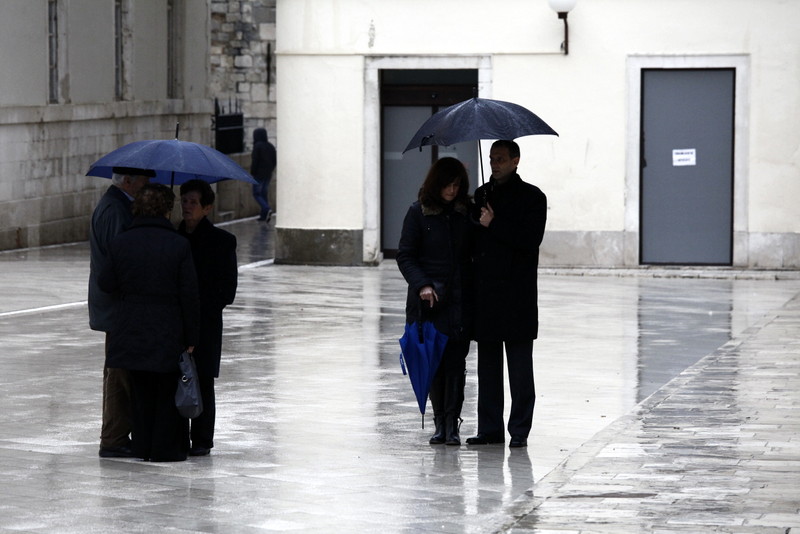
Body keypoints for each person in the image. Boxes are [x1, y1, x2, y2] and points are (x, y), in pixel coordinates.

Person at [98, 183, 200, 462]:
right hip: (167, 326)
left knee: (139, 388)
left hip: (130, 324)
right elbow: (189, 294)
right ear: (168, 210)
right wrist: (192, 336)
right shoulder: (178, 244)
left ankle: (141, 446)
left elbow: (106, 283)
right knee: (166, 388)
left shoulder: (121, 242)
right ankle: (164, 448)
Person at [466, 140, 547, 449]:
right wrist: (477, 220)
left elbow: (530, 240)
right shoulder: (482, 195)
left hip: (517, 294)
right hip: (486, 293)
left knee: (520, 368)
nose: (494, 164)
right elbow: (475, 240)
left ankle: (520, 430)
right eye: (491, 159)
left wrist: (493, 223)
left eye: (500, 159)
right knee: (487, 368)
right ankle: (489, 429)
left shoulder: (533, 197)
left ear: (516, 161)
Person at [397, 157, 474, 446]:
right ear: (436, 184)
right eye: (447, 185)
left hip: (459, 299)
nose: (452, 191)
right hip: (428, 303)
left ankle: (452, 424)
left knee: (456, 362)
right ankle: (439, 422)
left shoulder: (466, 213)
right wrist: (423, 285)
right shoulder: (418, 213)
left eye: (457, 185)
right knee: (434, 361)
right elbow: (405, 255)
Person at [88, 166, 153, 458]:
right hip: (117, 307)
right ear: (128, 181)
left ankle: (116, 434)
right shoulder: (116, 210)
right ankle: (113, 438)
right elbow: (121, 261)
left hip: (115, 305)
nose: (146, 187)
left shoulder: (115, 205)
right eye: (144, 182)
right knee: (118, 374)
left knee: (118, 371)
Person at [177, 179, 238, 456]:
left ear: (207, 208)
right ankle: (177, 436)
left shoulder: (222, 242)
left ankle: (202, 439)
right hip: (175, 321)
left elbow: (227, 291)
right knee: (175, 378)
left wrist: (199, 308)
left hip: (205, 323)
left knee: (202, 380)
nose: (187, 206)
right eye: (184, 201)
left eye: (193, 202)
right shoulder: (173, 238)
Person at [250, 127, 276, 222]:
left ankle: (266, 208)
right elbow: (274, 160)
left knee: (257, 193)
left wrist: (253, 172)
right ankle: (264, 215)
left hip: (258, 174)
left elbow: (255, 161)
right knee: (264, 194)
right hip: (268, 174)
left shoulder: (257, 146)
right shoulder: (270, 146)